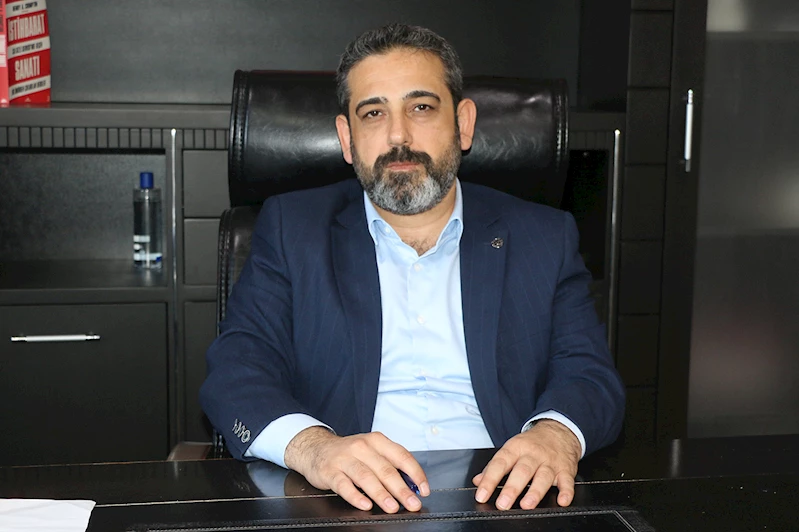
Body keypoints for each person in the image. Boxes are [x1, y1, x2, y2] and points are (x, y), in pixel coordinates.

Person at [201, 23, 625, 515]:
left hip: (503, 499)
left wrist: (555, 435)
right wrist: (314, 449)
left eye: (421, 108)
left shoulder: (544, 235)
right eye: (373, 113)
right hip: (346, 505)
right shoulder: (291, 229)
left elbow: (589, 374)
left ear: (463, 124)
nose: (398, 135)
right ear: (347, 138)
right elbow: (236, 371)